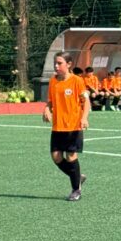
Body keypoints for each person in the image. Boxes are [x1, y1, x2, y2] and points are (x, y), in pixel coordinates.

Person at [42, 51, 90, 201]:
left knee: (70, 156)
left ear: (69, 64)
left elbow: (86, 102)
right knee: (56, 157)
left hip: (73, 126)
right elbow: (50, 101)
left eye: (59, 63)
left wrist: (84, 118)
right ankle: (77, 177)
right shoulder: (53, 81)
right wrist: (46, 109)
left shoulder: (77, 81)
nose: (56, 66)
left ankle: (76, 190)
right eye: (55, 63)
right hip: (58, 126)